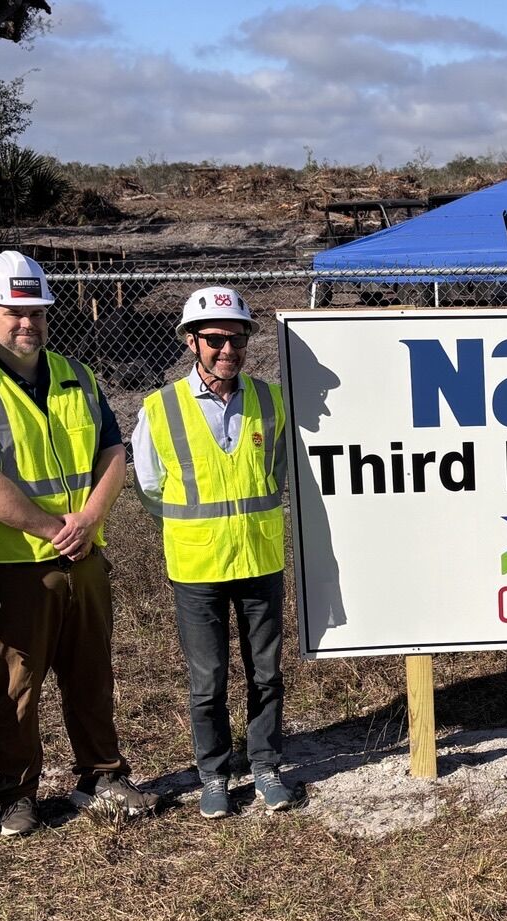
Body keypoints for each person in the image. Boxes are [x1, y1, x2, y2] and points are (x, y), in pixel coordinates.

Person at [0, 250, 157, 835]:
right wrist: (56, 528)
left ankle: (101, 774)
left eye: (34, 308)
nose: (25, 320)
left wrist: (88, 518)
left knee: (90, 671)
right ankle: (15, 792)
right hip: (7, 565)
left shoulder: (76, 377)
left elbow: (113, 452)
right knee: (15, 685)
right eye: (11, 310)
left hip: (82, 555)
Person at [132, 287, 297, 819]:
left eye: (238, 339)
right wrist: (200, 530)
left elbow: (278, 474)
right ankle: (215, 774)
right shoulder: (159, 410)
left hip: (259, 561)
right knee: (207, 680)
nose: (228, 349)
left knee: (266, 673)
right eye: (216, 339)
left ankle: (267, 765)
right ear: (191, 342)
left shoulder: (271, 401)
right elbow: (150, 487)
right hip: (197, 567)